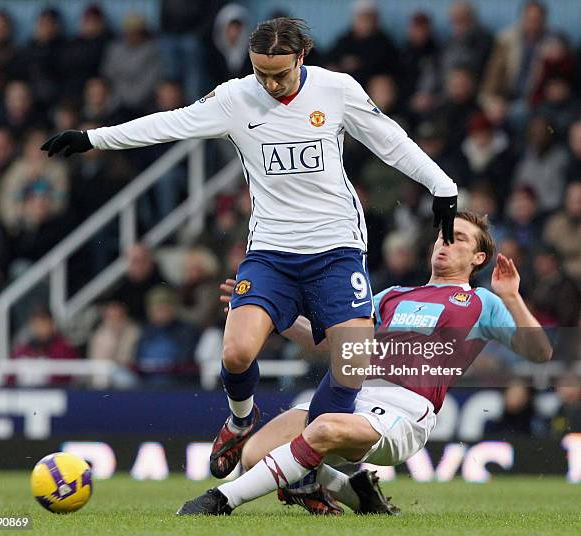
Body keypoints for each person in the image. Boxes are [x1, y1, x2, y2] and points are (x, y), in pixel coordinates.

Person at [41, 17, 458, 480]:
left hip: (337, 247)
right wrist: (93, 138)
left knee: (350, 365)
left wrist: (441, 186)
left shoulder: (336, 90)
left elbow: (390, 141)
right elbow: (170, 123)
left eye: (279, 73)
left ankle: (315, 477)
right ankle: (241, 420)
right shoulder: (235, 98)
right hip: (272, 250)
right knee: (236, 354)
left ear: (302, 57)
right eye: (261, 73)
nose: (270, 83)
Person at [178, 212, 552, 516]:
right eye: (442, 236)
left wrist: (512, 297)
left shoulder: (480, 303)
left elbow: (540, 352)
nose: (445, 243)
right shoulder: (392, 295)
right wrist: (266, 310)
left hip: (404, 411)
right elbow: (326, 342)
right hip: (350, 395)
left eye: (459, 238)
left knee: (321, 429)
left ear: (478, 259)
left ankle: (222, 500)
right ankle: (358, 494)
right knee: (255, 453)